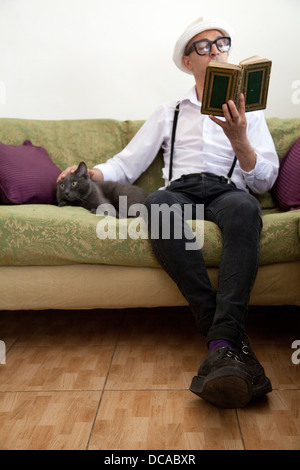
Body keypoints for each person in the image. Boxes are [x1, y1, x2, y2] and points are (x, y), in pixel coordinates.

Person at [58, 17, 279, 408]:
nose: (216, 50)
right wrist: (91, 173)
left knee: (246, 209)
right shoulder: (170, 110)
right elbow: (127, 164)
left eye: (222, 43)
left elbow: (263, 183)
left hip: (230, 191)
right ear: (187, 61)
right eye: (204, 46)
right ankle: (228, 341)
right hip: (179, 191)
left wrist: (241, 140)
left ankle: (221, 345)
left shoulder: (251, 114)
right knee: (156, 204)